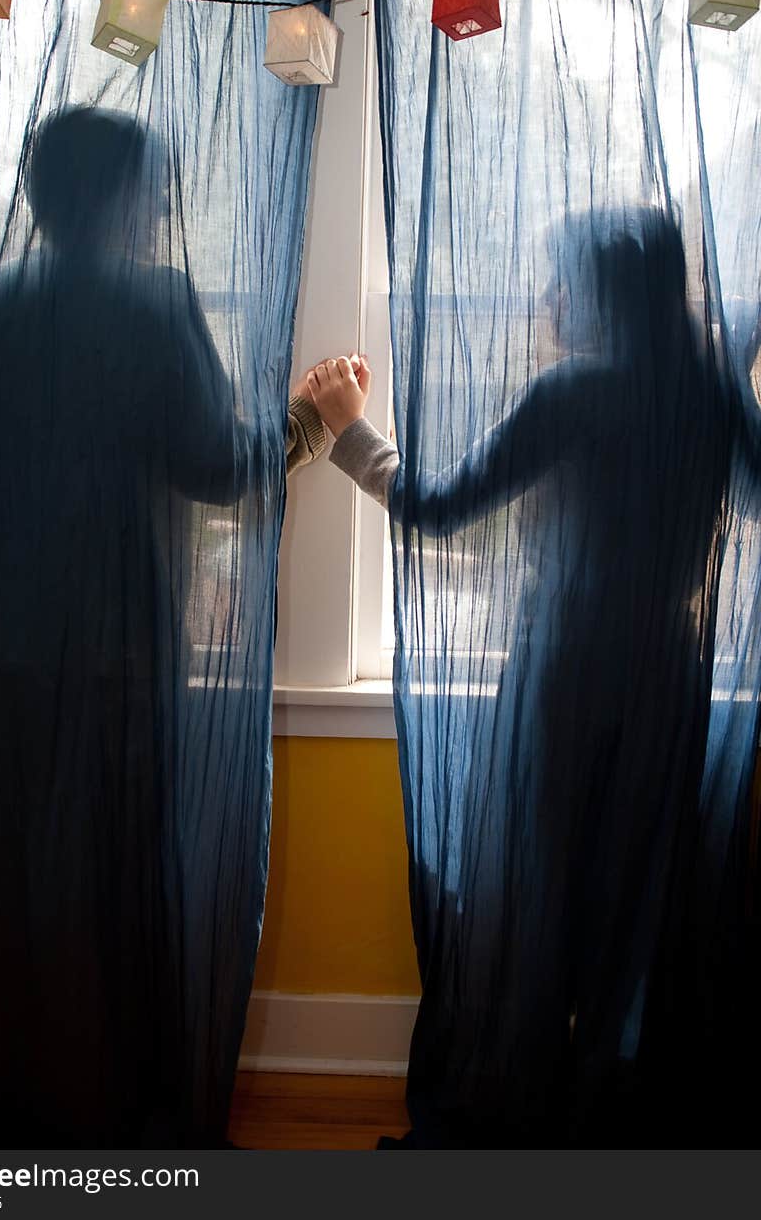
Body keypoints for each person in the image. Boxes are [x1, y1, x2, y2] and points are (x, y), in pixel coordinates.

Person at [0, 107, 325, 1146]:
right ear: (129, 197)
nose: (165, 209)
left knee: (23, 902)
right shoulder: (155, 303)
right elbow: (221, 466)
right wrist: (314, 419)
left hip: (9, 667)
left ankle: (26, 1122)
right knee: (130, 902)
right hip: (126, 668)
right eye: (158, 192)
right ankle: (134, 1129)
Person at [308, 208, 756, 1144]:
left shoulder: (571, 395)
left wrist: (351, 427)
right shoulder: (708, 398)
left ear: (600, 295)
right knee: (630, 898)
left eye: (561, 282)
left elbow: (435, 507)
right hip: (668, 675)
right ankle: (608, 1116)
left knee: (537, 894)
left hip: (564, 674)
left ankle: (534, 1116)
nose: (547, 300)